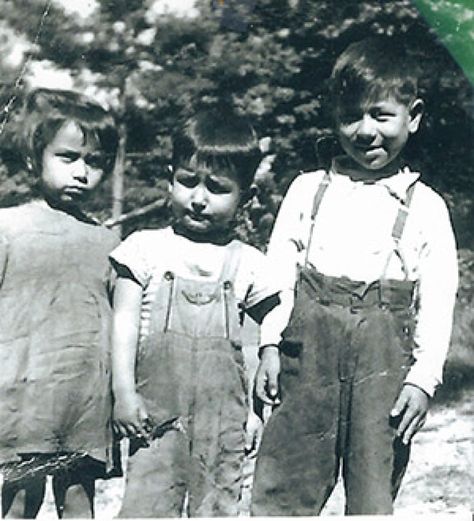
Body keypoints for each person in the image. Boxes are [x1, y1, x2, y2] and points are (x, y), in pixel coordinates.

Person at [251, 35, 458, 516]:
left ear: (414, 116)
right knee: (285, 481)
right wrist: (268, 345)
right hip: (308, 353)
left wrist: (423, 380)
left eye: (381, 115)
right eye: (351, 116)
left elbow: (439, 297)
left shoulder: (426, 206)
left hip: (383, 359)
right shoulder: (309, 190)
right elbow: (278, 272)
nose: (365, 131)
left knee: (373, 486)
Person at [109, 108, 279, 517]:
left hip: (224, 419)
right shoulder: (145, 248)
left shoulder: (251, 264)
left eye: (216, 188)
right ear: (171, 178)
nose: (198, 199)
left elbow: (251, 346)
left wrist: (255, 415)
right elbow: (124, 326)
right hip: (157, 413)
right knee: (148, 505)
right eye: (187, 182)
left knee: (218, 505)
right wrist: (123, 393)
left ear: (246, 197)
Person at [0, 88, 120, 518]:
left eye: (96, 162)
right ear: (35, 158)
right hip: (24, 394)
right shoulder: (9, 227)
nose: (82, 173)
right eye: (68, 157)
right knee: (18, 501)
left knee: (78, 501)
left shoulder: (109, 242)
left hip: (84, 398)